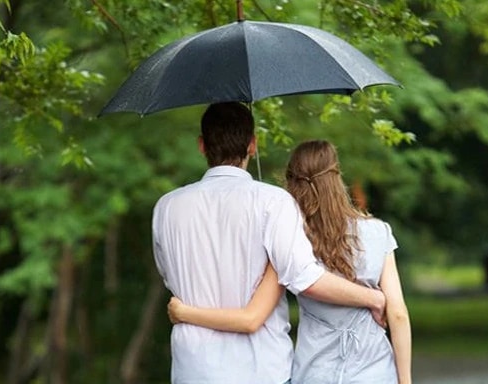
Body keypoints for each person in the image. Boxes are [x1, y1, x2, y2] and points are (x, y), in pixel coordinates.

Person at [152, 103, 387, 384]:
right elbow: (305, 277)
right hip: (259, 369)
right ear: (253, 144)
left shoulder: (167, 207)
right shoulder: (273, 202)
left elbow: (171, 277)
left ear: (202, 145)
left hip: (193, 369)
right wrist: (373, 297)